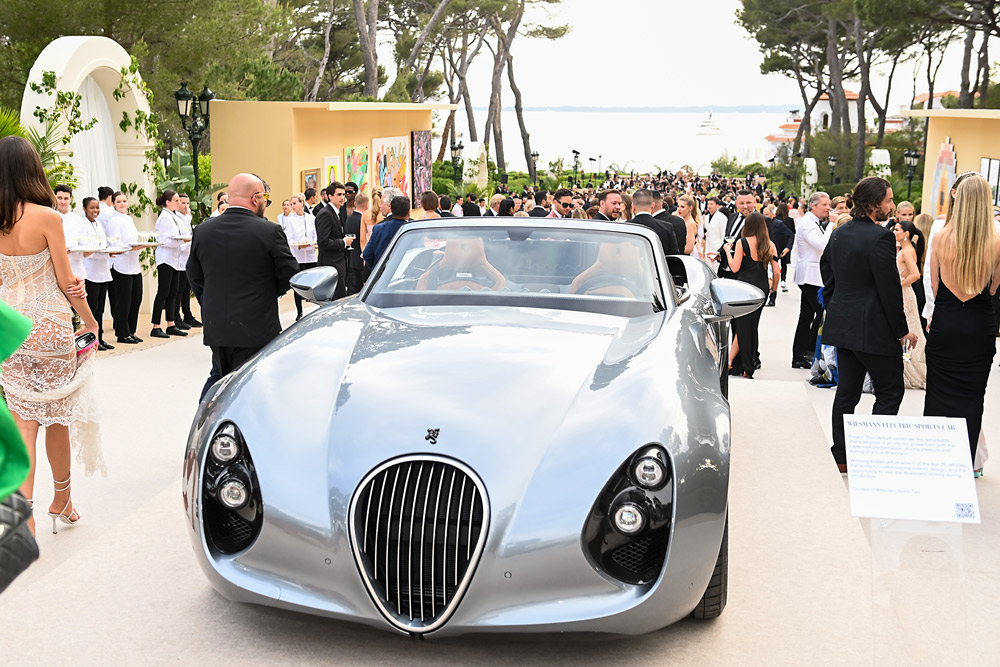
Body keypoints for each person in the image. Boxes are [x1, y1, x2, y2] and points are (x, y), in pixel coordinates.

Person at [0, 136, 105, 535]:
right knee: (57, 417)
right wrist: (91, 321)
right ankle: (62, 501)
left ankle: (20, 508)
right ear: (33, 170)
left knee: (23, 419)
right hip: (49, 326)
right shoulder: (47, 217)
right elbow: (67, 281)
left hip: (9, 325)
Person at [821, 177, 916, 474]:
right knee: (890, 391)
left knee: (846, 393)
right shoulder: (881, 237)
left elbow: (827, 273)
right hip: (874, 329)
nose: (892, 206)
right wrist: (902, 330)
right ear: (874, 204)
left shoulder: (839, 232)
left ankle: (842, 455)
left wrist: (838, 305)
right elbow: (889, 289)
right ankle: (873, 452)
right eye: (888, 201)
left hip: (845, 325)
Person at [186, 173, 300, 399]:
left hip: (217, 324)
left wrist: (210, 301)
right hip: (256, 325)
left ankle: (204, 424)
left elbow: (194, 275)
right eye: (264, 197)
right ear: (256, 198)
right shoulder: (270, 231)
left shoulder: (203, 231)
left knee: (219, 376)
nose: (265, 202)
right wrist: (267, 294)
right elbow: (290, 273)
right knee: (251, 383)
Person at [923, 174, 1000, 470]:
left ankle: (935, 461)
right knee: (972, 398)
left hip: (947, 319)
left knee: (938, 394)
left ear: (958, 198)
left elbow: (935, 284)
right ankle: (963, 466)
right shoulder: (996, 239)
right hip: (979, 322)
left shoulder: (940, 235)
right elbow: (994, 288)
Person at [722, 212, 779, 378]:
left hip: (744, 288)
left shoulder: (742, 243)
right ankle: (738, 363)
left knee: (742, 327)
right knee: (750, 327)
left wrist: (727, 251)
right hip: (761, 288)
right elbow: (776, 271)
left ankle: (744, 365)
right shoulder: (770, 244)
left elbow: (734, 268)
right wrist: (773, 288)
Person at [791, 191, 831, 368]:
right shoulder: (807, 224)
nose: (828, 208)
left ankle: (801, 355)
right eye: (824, 204)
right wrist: (833, 225)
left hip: (813, 275)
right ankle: (808, 352)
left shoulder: (814, 222)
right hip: (810, 276)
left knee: (806, 316)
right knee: (822, 315)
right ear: (813, 205)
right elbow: (821, 244)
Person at [105, 191, 147, 344]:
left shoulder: (129, 219)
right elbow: (113, 243)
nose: (122, 204)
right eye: (119, 201)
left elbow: (134, 238)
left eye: (124, 201)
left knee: (136, 297)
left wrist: (138, 245)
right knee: (124, 301)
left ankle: (131, 330)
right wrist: (130, 247)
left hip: (134, 264)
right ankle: (122, 333)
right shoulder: (114, 221)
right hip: (121, 265)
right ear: (113, 203)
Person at [150, 190, 189, 338]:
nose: (179, 203)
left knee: (173, 291)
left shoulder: (173, 217)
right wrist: (180, 240)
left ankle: (171, 323)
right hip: (165, 258)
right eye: (176, 200)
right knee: (163, 292)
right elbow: (164, 240)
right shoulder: (165, 218)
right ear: (168, 202)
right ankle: (156, 326)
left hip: (174, 258)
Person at [893, 219, 926, 389]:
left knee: (909, 331)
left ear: (905, 233)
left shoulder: (907, 251)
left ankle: (912, 370)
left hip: (905, 294)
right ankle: (907, 367)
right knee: (910, 329)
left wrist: (899, 284)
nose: (894, 231)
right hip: (905, 293)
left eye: (897, 229)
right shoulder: (906, 249)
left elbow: (916, 274)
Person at [80, 197, 116, 350]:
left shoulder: (99, 224)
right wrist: (99, 250)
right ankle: (91, 341)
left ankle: (99, 339)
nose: (95, 211)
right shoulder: (82, 226)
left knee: (100, 308)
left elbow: (103, 244)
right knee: (92, 308)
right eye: (92, 208)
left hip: (103, 270)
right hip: (91, 272)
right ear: (84, 209)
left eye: (97, 208)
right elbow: (86, 248)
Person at [282, 194, 318, 320]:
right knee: (298, 285)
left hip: (310, 256)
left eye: (294, 203)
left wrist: (313, 242)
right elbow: (289, 238)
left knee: (312, 283)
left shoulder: (311, 218)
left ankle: (314, 309)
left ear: (302, 203)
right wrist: (299, 246)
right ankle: (299, 312)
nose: (292, 206)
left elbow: (315, 234)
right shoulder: (289, 220)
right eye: (291, 204)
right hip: (298, 256)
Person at [315, 181, 349, 299]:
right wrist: (344, 242)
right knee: (335, 302)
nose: (342, 198)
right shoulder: (325, 214)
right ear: (330, 196)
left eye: (343, 195)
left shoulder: (337, 213)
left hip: (338, 264)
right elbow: (323, 242)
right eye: (339, 194)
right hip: (331, 265)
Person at [362, 196, 411, 270]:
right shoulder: (411, 229)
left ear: (391, 209)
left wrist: (376, 268)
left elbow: (366, 254)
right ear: (409, 212)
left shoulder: (379, 228)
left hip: (382, 274)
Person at [53, 184, 89, 283]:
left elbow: (85, 245)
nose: (63, 202)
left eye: (66, 198)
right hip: (55, 271)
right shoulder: (49, 218)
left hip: (77, 269)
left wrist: (90, 250)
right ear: (54, 198)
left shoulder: (79, 220)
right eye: (59, 198)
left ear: (71, 199)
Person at [175, 193, 200, 329]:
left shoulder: (187, 218)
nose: (186, 206)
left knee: (186, 288)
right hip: (178, 258)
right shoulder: (176, 219)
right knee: (179, 290)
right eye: (183, 203)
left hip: (187, 257)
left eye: (188, 203)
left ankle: (187, 314)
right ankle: (176, 317)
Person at [630, 189, 680, 256]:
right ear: (653, 206)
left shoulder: (625, 227)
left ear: (633, 207)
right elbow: (674, 257)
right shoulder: (667, 228)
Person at [345, 193, 369, 294]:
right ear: (367, 205)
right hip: (361, 259)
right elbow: (364, 239)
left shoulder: (349, 218)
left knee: (352, 289)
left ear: (355, 203)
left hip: (352, 258)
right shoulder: (363, 220)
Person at [676, 194, 700, 258]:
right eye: (678, 206)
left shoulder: (690, 224)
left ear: (690, 208)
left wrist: (673, 250)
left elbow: (689, 249)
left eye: (682, 207)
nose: (679, 209)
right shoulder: (680, 219)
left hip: (687, 257)